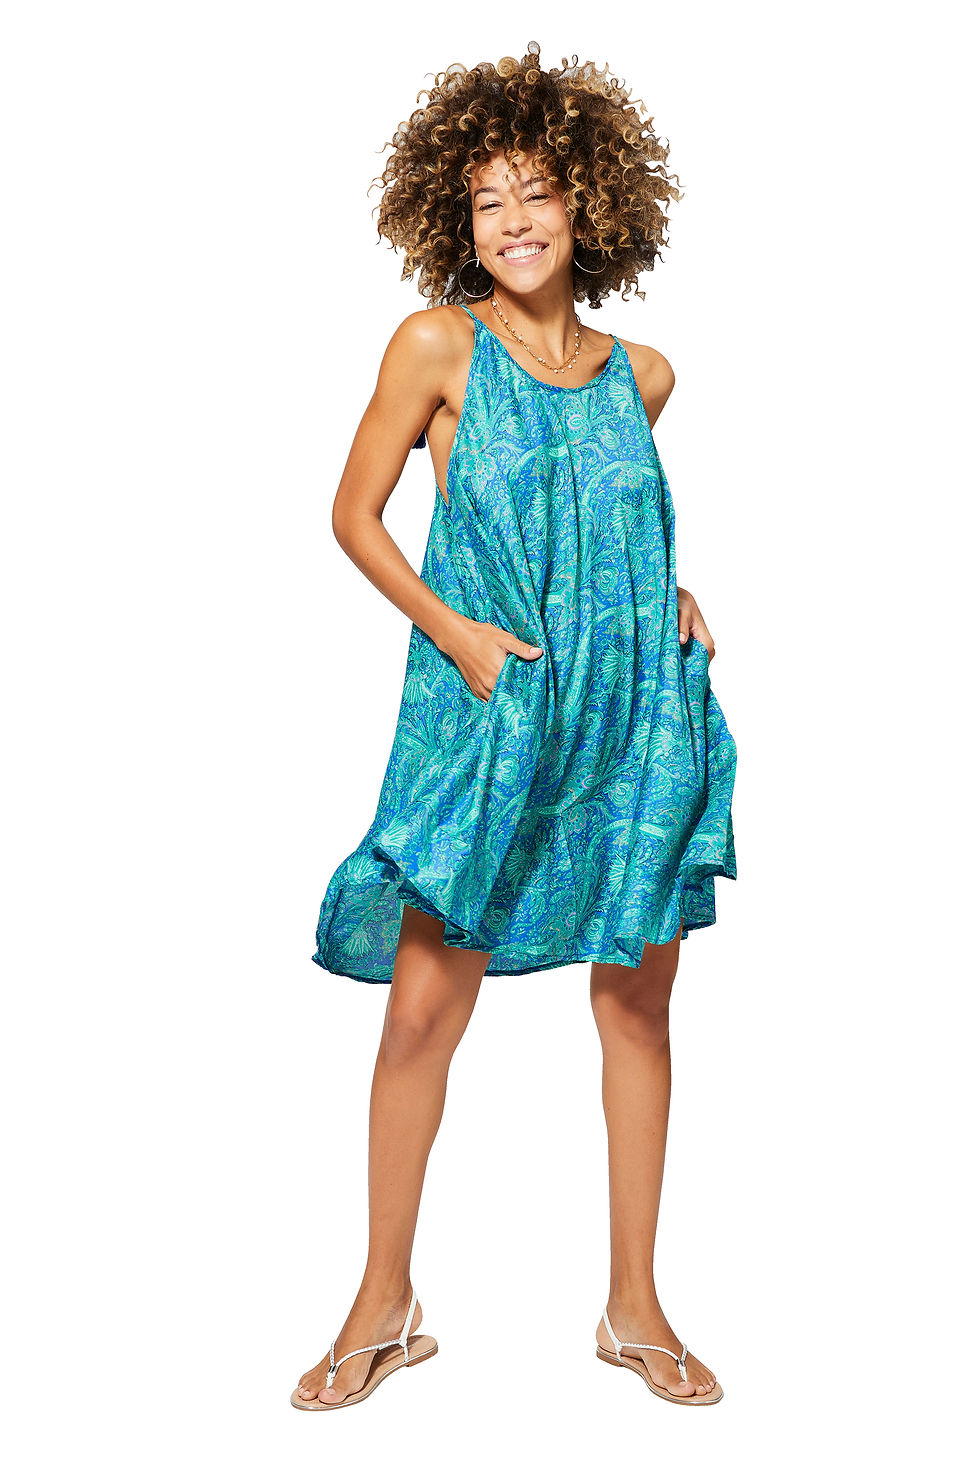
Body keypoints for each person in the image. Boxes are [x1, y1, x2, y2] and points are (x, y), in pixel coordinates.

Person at [293, 41, 736, 1411]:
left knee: (637, 1006)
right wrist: (458, 633)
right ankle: (383, 1301)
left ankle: (633, 1305)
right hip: (491, 718)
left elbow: (612, 531)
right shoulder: (437, 346)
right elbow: (353, 514)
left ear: (589, 201)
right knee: (425, 1010)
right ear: (459, 218)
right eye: (489, 201)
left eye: (538, 192)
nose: (516, 222)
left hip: (628, 722)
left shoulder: (643, 375)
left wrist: (672, 593)